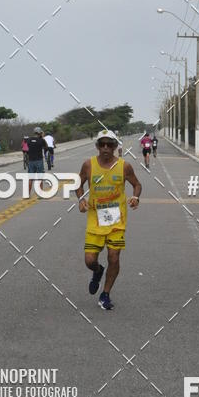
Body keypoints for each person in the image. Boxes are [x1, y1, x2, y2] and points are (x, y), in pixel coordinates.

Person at [76, 130, 142, 311]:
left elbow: (137, 184)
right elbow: (77, 183)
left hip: (116, 221)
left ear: (115, 146)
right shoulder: (88, 165)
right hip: (95, 220)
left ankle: (105, 294)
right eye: (102, 144)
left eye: (110, 144)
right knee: (89, 260)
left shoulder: (124, 166)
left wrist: (135, 197)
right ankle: (97, 271)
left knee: (114, 257)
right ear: (97, 146)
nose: (106, 148)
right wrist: (81, 199)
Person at [24, 127, 48, 197]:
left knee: (30, 179)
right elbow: (46, 147)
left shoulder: (29, 140)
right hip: (39, 161)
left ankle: (27, 194)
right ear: (40, 133)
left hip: (31, 161)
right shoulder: (41, 140)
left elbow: (28, 146)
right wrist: (42, 137)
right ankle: (40, 195)